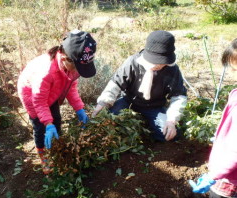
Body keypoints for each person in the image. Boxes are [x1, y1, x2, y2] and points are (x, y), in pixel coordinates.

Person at [17, 30, 97, 174]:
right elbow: (39, 100)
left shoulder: (71, 68)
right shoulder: (46, 72)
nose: (78, 72)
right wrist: (48, 124)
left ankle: (56, 143)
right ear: (67, 58)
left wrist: (79, 109)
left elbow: (71, 88)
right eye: (78, 68)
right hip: (33, 96)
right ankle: (42, 152)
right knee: (40, 127)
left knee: (56, 119)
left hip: (52, 92)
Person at [92, 30, 187, 142]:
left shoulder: (172, 69)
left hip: (154, 106)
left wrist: (171, 121)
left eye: (162, 62)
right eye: (156, 61)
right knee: (109, 121)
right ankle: (142, 125)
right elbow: (115, 83)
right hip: (129, 101)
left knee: (167, 135)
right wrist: (103, 103)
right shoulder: (133, 62)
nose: (159, 65)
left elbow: (178, 96)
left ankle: (148, 128)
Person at [189, 38, 237, 198]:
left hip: (230, 172)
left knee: (219, 194)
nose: (234, 74)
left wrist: (213, 174)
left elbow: (234, 151)